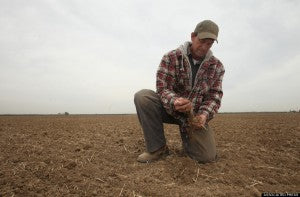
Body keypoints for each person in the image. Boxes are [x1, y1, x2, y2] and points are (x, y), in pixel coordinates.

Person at [134, 20, 225, 163]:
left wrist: (203, 115)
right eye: (202, 41)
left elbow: (214, 96)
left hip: (193, 117)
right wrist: (175, 101)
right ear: (193, 36)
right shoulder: (171, 57)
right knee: (143, 97)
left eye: (209, 43)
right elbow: (163, 88)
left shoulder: (217, 67)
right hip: (168, 108)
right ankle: (158, 149)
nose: (204, 47)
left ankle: (189, 146)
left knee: (206, 157)